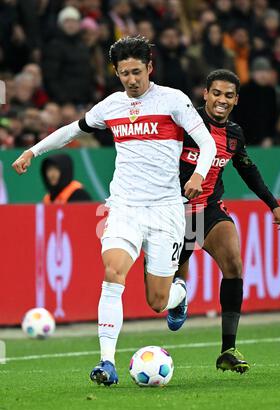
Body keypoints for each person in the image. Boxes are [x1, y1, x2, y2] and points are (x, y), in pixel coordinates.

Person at [12, 37, 217, 386]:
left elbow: (207, 143)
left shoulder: (173, 101)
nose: (132, 80)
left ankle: (179, 294)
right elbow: (71, 131)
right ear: (117, 73)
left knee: (157, 301)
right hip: (123, 207)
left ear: (149, 68)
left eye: (137, 72)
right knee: (113, 273)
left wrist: (199, 174)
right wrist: (34, 150)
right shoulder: (111, 106)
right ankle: (107, 363)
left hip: (165, 209)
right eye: (124, 74)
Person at [168, 69, 280, 374]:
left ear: (236, 100)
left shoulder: (234, 134)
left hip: (208, 208)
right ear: (205, 94)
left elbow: (248, 169)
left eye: (229, 95)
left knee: (234, 264)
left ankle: (228, 350)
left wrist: (273, 205)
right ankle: (178, 295)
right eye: (217, 93)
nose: (222, 100)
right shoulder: (184, 124)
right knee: (175, 275)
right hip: (175, 210)